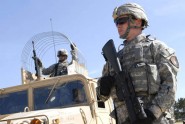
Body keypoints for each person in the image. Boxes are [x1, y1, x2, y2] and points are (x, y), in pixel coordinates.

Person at [97, 3, 179, 124]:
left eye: (121, 21)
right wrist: (102, 89)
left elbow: (170, 86)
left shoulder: (156, 48)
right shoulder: (114, 59)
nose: (117, 26)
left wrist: (151, 114)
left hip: (155, 120)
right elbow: (101, 98)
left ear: (138, 21)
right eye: (116, 23)